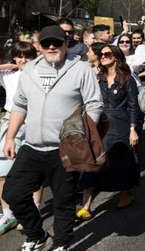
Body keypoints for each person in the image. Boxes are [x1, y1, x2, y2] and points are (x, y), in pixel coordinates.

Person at [2, 25, 103, 251]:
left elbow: (95, 105)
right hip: (32, 146)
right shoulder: (29, 70)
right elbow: (20, 105)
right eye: (46, 43)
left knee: (63, 202)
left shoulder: (81, 69)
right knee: (13, 193)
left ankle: (61, 244)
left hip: (65, 148)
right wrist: (10, 137)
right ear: (38, 46)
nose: (51, 47)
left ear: (65, 44)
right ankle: (37, 235)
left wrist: (82, 135)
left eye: (56, 43)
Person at [78, 45, 142, 219]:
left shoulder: (127, 78)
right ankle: (86, 205)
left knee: (120, 160)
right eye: (101, 54)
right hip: (99, 124)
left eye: (107, 54)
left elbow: (133, 106)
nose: (103, 56)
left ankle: (125, 192)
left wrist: (133, 129)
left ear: (116, 57)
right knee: (93, 161)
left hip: (120, 124)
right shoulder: (97, 78)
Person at [0, 42, 42, 235]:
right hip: (11, 122)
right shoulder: (8, 74)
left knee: (35, 169)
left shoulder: (39, 73)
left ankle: (35, 209)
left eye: (27, 56)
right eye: (19, 56)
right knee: (2, 170)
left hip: (35, 122)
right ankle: (8, 214)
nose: (23, 60)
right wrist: (8, 66)